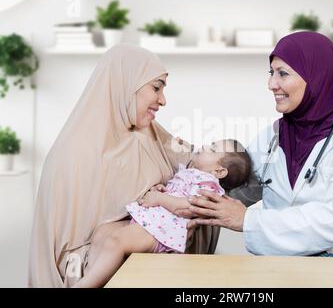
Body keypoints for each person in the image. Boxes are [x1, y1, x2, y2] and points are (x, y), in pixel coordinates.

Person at [187, 32, 333, 258]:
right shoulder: (273, 136)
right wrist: (177, 185)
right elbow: (233, 181)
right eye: (271, 73)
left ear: (315, 76)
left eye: (282, 74)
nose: (271, 84)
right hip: (300, 266)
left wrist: (248, 220)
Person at [28, 44, 220, 288]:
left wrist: (180, 213)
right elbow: (61, 256)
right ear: (125, 84)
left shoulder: (149, 134)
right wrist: (129, 238)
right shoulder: (72, 155)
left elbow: (205, 167)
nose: (163, 100)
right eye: (156, 88)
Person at [72, 139, 252, 288]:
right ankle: (94, 277)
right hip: (153, 223)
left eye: (212, 149)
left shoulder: (209, 186)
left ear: (219, 171)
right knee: (104, 231)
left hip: (162, 234)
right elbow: (178, 193)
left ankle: (86, 285)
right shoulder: (193, 174)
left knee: (115, 241)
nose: (204, 146)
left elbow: (189, 207)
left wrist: (159, 199)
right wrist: (163, 190)